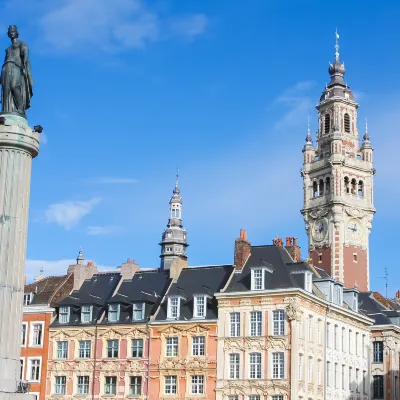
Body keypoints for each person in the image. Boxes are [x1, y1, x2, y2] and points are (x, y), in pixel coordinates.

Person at [0, 25, 33, 116]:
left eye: (13, 31)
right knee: (6, 90)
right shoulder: (8, 49)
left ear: (17, 33)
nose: (11, 33)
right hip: (6, 68)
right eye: (10, 31)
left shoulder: (21, 43)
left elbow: (25, 53)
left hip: (16, 66)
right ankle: (8, 110)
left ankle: (20, 109)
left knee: (14, 86)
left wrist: (25, 64)